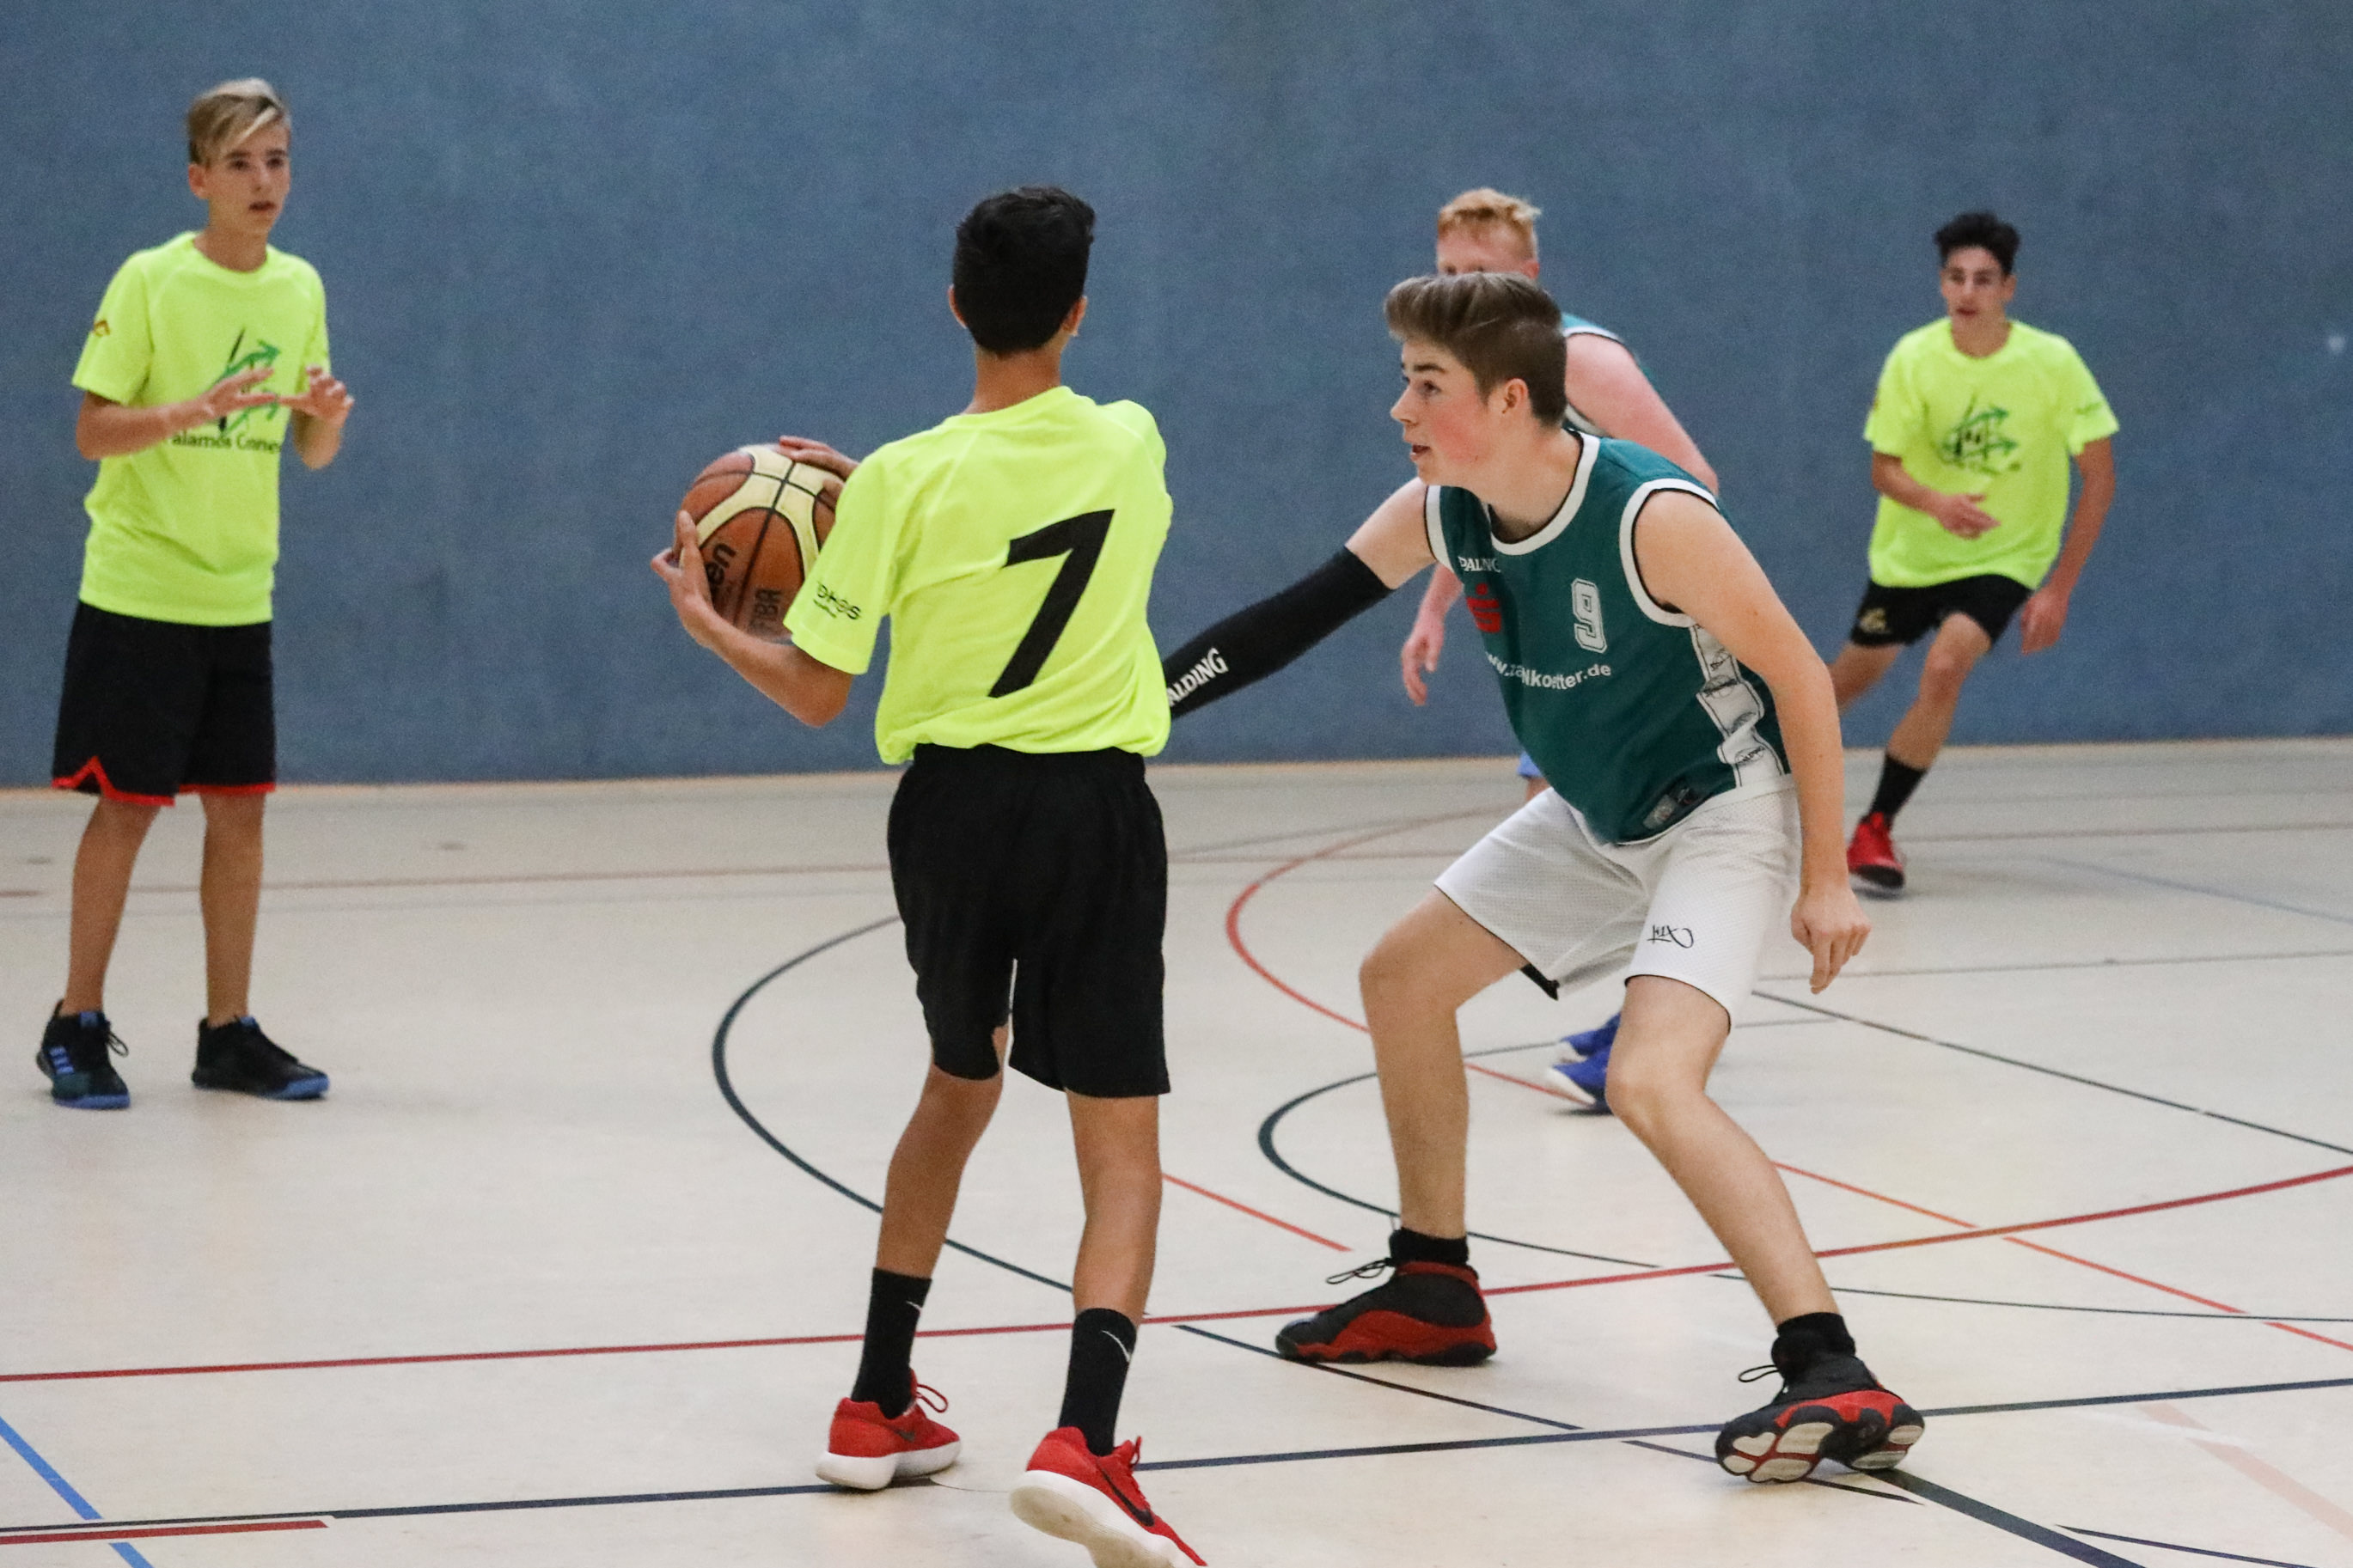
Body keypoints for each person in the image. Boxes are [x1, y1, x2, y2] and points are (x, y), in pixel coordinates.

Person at [1159, 272, 1922, 1484]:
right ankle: (1433, 1282)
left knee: (1649, 1079)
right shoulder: (1444, 508)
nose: (1400, 407)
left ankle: (1831, 1366)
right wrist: (1134, 714)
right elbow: (1286, 620)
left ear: (1509, 399)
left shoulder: (1650, 516)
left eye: (1427, 384)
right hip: (1592, 811)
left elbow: (1796, 676)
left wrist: (1823, 874)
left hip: (1717, 814)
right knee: (1401, 979)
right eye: (1404, 379)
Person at [653, 187, 1203, 1567]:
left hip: (948, 816)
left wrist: (710, 622)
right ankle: (1084, 1440)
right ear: (1078, 313)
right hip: (1091, 811)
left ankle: (873, 1398)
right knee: (1119, 1142)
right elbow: (1022, 503)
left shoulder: (896, 481)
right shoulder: (1130, 441)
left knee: (959, 1082)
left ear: (953, 304)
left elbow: (816, 689)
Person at [39, 78, 351, 1110]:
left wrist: (328, 417)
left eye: (278, 160)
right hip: (141, 590)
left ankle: (227, 1034)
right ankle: (75, 1022)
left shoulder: (299, 288)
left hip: (239, 594)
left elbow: (308, 452)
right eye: (241, 163)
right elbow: (93, 430)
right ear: (198, 180)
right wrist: (188, 411)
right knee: (128, 808)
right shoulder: (151, 281)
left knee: (240, 814)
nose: (265, 181)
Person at [1404, 189, 1720, 1109]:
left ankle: (1654, 1024)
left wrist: (1634, 591)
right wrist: (1432, 610)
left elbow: (1693, 479)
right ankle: (1650, 1009)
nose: (1459, 289)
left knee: (1605, 828)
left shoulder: (1577, 357)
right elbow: (1469, 499)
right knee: (1569, 820)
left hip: (1628, 633)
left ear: (1529, 279)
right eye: (1447, 272)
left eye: (1480, 273)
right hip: (1556, 638)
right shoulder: (1465, 377)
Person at [1833, 210, 2118, 893]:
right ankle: (1719, 779)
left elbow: (2100, 476)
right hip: (1911, 555)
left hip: (2005, 556)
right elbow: (1883, 469)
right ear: (1941, 283)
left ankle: (1875, 828)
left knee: (1945, 666)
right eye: (1956, 277)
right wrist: (1937, 503)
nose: (1968, 292)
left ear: (2008, 289)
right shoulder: (1913, 357)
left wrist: (2058, 588)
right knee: (1842, 684)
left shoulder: (2053, 363)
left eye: (1984, 280)